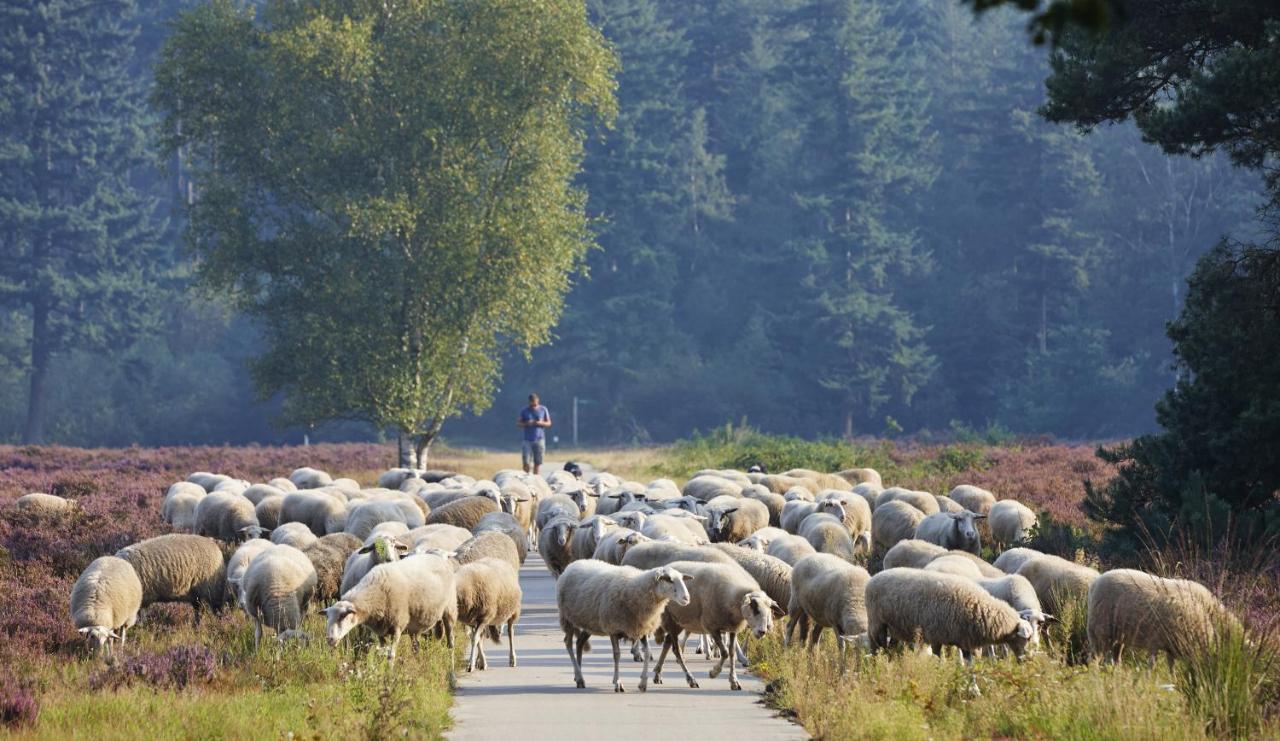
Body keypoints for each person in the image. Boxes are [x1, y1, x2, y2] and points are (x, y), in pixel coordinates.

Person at [517, 393, 551, 474]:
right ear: (529, 402)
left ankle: (536, 479)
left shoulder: (543, 409)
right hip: (527, 440)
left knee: (537, 462)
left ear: (538, 401)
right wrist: (527, 423)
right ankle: (526, 477)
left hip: (539, 439)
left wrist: (540, 423)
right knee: (526, 462)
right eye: (532, 404)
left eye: (535, 404)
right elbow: (518, 423)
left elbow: (549, 423)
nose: (534, 406)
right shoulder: (524, 411)